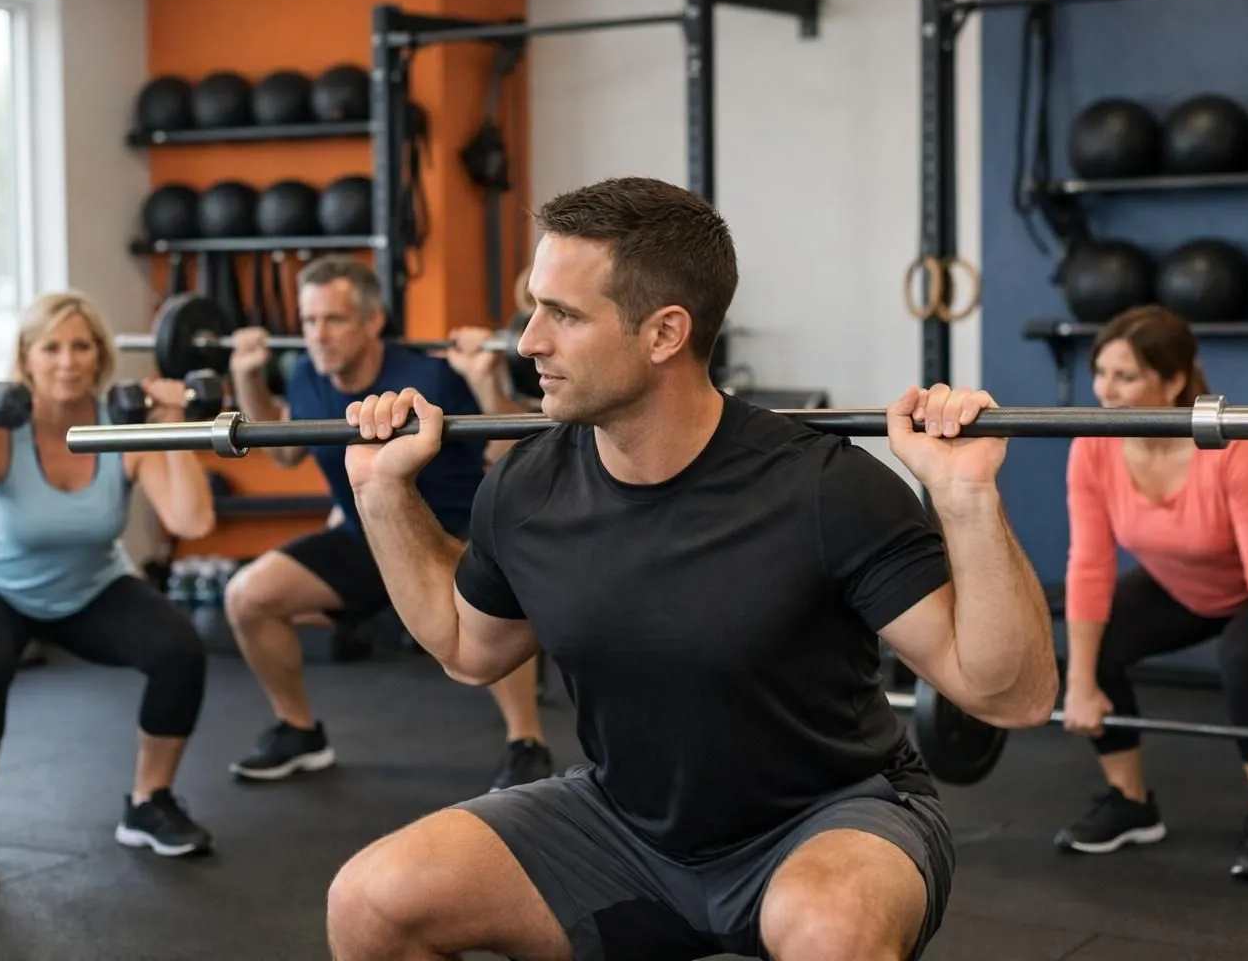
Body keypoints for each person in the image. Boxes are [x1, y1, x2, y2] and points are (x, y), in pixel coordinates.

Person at [321, 176, 1060, 961]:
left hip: (831, 817)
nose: (528, 341)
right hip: (622, 827)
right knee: (370, 903)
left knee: (828, 931)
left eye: (563, 315)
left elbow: (1010, 695)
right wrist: (379, 492)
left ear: (665, 333)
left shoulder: (821, 487)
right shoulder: (528, 486)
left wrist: (965, 492)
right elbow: (470, 649)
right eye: (535, 307)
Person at [0, 291, 219, 889]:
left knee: (178, 648)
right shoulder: (2, 430)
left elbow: (191, 522)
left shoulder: (122, 429)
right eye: (51, 347)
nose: (68, 361)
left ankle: (149, 802)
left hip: (88, 587)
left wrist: (174, 424)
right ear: (26, 358)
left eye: (81, 346)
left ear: (100, 357)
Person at [222, 255, 556, 792]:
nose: (318, 336)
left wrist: (482, 378)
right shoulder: (306, 375)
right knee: (247, 597)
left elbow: (509, 444)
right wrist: (247, 379)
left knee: (495, 600)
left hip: (455, 534)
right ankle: (298, 731)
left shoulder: (430, 375)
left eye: (334, 320)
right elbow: (283, 454)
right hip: (365, 536)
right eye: (309, 322)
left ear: (372, 321)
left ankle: (527, 743)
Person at [1056, 303, 1248, 880]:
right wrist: (1080, 683)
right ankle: (1130, 802)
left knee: (1244, 657)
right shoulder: (1094, 446)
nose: (1105, 392)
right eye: (1101, 373)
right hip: (1193, 578)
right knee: (1094, 638)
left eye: (1126, 376)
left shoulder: (1233, 447)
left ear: (1172, 382)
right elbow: (1089, 565)